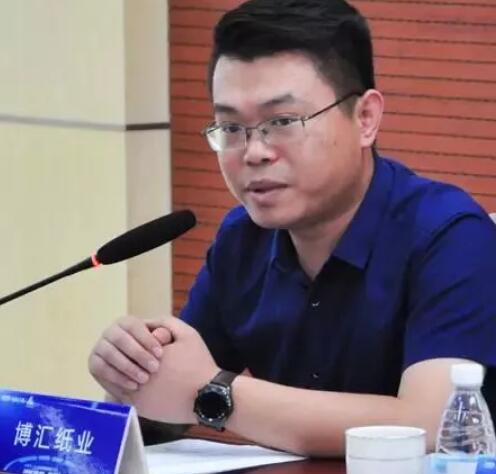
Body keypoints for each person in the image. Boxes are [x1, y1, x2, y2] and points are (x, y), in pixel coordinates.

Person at [88, 0, 496, 457]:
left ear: (365, 118)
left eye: (282, 122)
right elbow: (172, 409)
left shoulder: (450, 236)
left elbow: (431, 425)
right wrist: (132, 378)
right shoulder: (242, 239)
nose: (254, 152)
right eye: (230, 127)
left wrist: (214, 392)